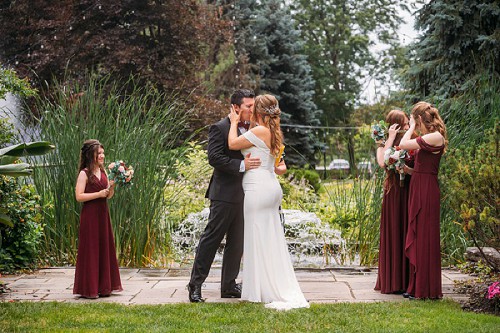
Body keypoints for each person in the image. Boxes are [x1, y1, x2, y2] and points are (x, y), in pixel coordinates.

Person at [228, 94, 309, 310]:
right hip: (270, 186)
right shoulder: (274, 132)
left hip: (258, 188)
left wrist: (234, 123)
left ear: (258, 112)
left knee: (256, 236)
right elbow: (278, 165)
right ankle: (266, 285)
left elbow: (233, 143)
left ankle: (260, 289)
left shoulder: (260, 131)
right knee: (270, 237)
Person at [188, 89, 262, 303]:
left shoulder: (256, 128)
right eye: (249, 106)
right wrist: (242, 165)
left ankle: (229, 286)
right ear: (236, 108)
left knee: (237, 243)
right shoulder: (220, 128)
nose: (252, 109)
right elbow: (215, 158)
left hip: (247, 194)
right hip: (224, 195)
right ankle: (195, 285)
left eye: (253, 105)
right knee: (211, 240)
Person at [399, 101, 448, 300]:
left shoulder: (436, 136)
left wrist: (410, 128)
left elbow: (403, 144)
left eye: (415, 122)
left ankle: (427, 289)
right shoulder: (428, 137)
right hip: (418, 186)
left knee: (425, 237)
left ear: (419, 119)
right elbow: (422, 166)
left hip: (427, 191)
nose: (415, 127)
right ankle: (416, 286)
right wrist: (408, 170)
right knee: (419, 237)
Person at [73, 139, 122, 299]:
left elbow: (108, 195)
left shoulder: (103, 172)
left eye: (102, 153)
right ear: (90, 155)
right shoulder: (84, 173)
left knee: (103, 247)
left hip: (103, 215)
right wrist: (98, 194)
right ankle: (89, 288)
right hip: (90, 216)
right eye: (98, 153)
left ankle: (103, 287)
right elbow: (79, 196)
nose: (102, 156)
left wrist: (112, 187)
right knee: (91, 249)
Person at [374, 110, 413, 294]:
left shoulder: (409, 141)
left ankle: (406, 281)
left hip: (408, 191)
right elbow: (383, 163)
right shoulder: (382, 144)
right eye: (404, 124)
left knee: (406, 231)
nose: (407, 127)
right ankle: (393, 281)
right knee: (394, 231)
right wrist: (389, 138)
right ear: (395, 126)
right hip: (393, 192)